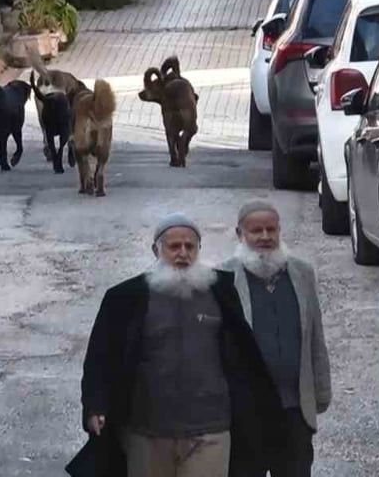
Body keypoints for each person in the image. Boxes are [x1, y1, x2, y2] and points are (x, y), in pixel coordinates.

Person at [69, 213, 276, 477]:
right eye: (174, 247)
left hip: (211, 430)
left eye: (190, 247)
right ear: (156, 250)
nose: (182, 254)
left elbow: (245, 357)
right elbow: (100, 358)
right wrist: (95, 406)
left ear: (198, 249)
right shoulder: (125, 298)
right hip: (146, 432)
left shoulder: (220, 292)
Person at [221, 201, 332, 477]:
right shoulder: (223, 280)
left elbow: (315, 337)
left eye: (271, 229)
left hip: (294, 409)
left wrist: (321, 391)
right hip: (246, 413)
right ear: (240, 234)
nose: (265, 237)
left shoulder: (302, 273)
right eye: (256, 231)